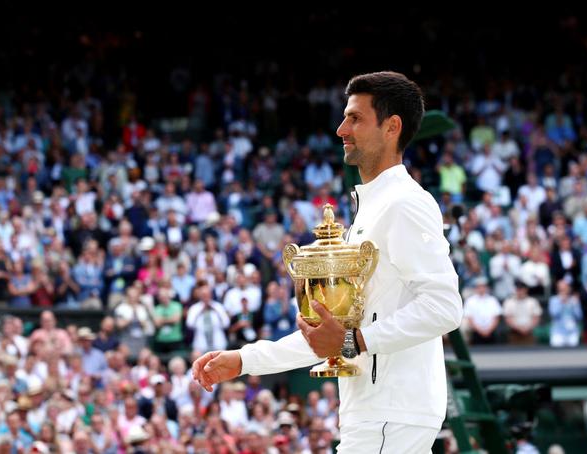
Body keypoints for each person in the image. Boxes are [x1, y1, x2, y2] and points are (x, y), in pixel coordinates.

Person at [192, 71, 463, 453]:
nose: (341, 129)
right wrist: (244, 360)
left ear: (392, 127)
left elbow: (444, 308)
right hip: (375, 414)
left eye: (355, 118)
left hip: (390, 414)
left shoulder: (405, 202)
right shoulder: (372, 209)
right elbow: (331, 339)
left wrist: (353, 340)